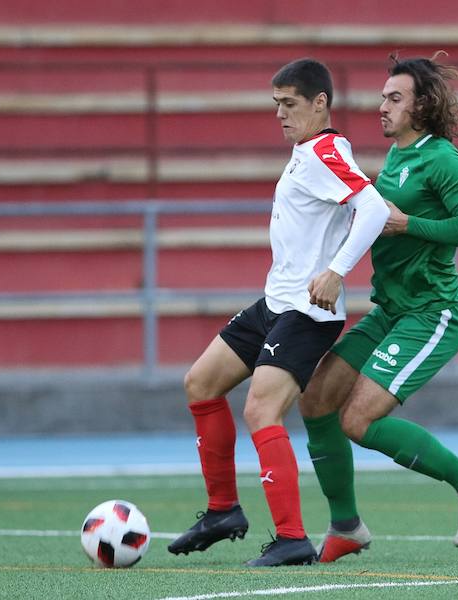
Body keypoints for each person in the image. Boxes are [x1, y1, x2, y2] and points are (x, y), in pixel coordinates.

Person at [167, 58, 390, 567]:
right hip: (276, 303)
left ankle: (292, 538)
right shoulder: (305, 153)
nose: (281, 115)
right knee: (200, 383)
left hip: (307, 314)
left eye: (290, 105)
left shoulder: (326, 150)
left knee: (261, 410)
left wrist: (335, 271)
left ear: (320, 103)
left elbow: (372, 208)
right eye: (276, 105)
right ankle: (223, 511)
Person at [298, 53, 458, 563]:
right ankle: (346, 525)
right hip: (389, 310)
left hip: (431, 314)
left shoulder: (442, 159)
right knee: (314, 399)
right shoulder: (395, 159)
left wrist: (407, 224)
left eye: (394, 98)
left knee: (359, 421)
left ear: (422, 105)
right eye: (381, 97)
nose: (381, 106)